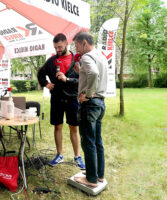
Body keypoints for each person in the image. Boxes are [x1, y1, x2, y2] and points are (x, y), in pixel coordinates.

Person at [37, 33, 85, 169]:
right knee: (57, 126)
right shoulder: (52, 61)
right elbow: (40, 73)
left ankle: (77, 156)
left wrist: (67, 79)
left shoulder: (77, 60)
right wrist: (46, 83)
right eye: (55, 47)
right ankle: (59, 155)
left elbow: (82, 81)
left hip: (72, 98)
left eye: (60, 47)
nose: (57, 50)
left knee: (73, 127)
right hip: (56, 99)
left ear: (66, 44)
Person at [72, 31, 108, 187]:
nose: (77, 49)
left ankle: (91, 179)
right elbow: (93, 73)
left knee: (88, 142)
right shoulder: (100, 56)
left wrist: (88, 94)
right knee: (97, 141)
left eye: (77, 45)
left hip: (90, 104)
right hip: (100, 104)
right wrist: (79, 71)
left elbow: (93, 73)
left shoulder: (87, 57)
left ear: (84, 43)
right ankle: (98, 174)